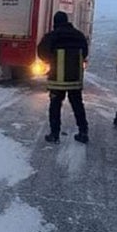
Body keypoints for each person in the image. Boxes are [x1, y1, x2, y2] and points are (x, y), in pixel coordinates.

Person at [37, 11, 89, 144]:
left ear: (55, 22)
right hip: (74, 79)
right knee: (77, 104)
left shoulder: (52, 36)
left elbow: (42, 53)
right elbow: (85, 52)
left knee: (55, 106)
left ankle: (54, 135)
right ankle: (83, 132)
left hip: (57, 79)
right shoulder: (79, 35)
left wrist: (52, 60)